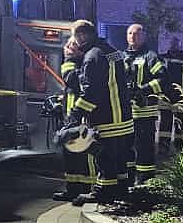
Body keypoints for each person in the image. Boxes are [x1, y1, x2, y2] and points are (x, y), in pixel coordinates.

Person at [66, 20, 132, 204]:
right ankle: (120, 189)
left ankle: (103, 192)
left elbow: (91, 92)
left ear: (82, 36)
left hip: (106, 117)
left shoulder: (92, 56)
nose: (74, 41)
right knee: (120, 157)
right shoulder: (112, 51)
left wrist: (75, 114)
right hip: (123, 116)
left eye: (75, 36)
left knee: (104, 157)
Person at [51, 36, 94, 201]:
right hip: (70, 118)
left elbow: (73, 80)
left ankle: (87, 190)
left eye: (73, 45)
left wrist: (68, 60)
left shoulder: (80, 65)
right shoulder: (77, 64)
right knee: (70, 156)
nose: (68, 47)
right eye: (67, 44)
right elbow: (71, 89)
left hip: (82, 118)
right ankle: (72, 189)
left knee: (83, 157)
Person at [125, 23, 164, 184]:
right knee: (126, 148)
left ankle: (145, 181)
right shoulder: (122, 56)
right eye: (130, 33)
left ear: (143, 36)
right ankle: (127, 180)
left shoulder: (150, 56)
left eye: (136, 34)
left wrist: (143, 90)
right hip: (125, 114)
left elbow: (163, 79)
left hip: (145, 113)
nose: (133, 36)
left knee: (144, 148)